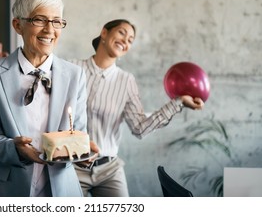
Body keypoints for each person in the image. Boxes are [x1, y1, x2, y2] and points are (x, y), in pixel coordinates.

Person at [0, 0, 99, 197]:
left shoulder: (75, 75)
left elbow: (77, 132)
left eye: (57, 21)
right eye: (39, 20)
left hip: (62, 191)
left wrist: (84, 152)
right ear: (18, 25)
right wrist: (15, 149)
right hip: (7, 190)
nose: (49, 30)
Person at [70, 19, 204, 197]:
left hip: (108, 169)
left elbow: (140, 128)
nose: (125, 40)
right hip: (72, 166)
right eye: (121, 33)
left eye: (130, 40)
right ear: (104, 33)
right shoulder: (72, 68)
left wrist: (178, 102)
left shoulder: (126, 81)